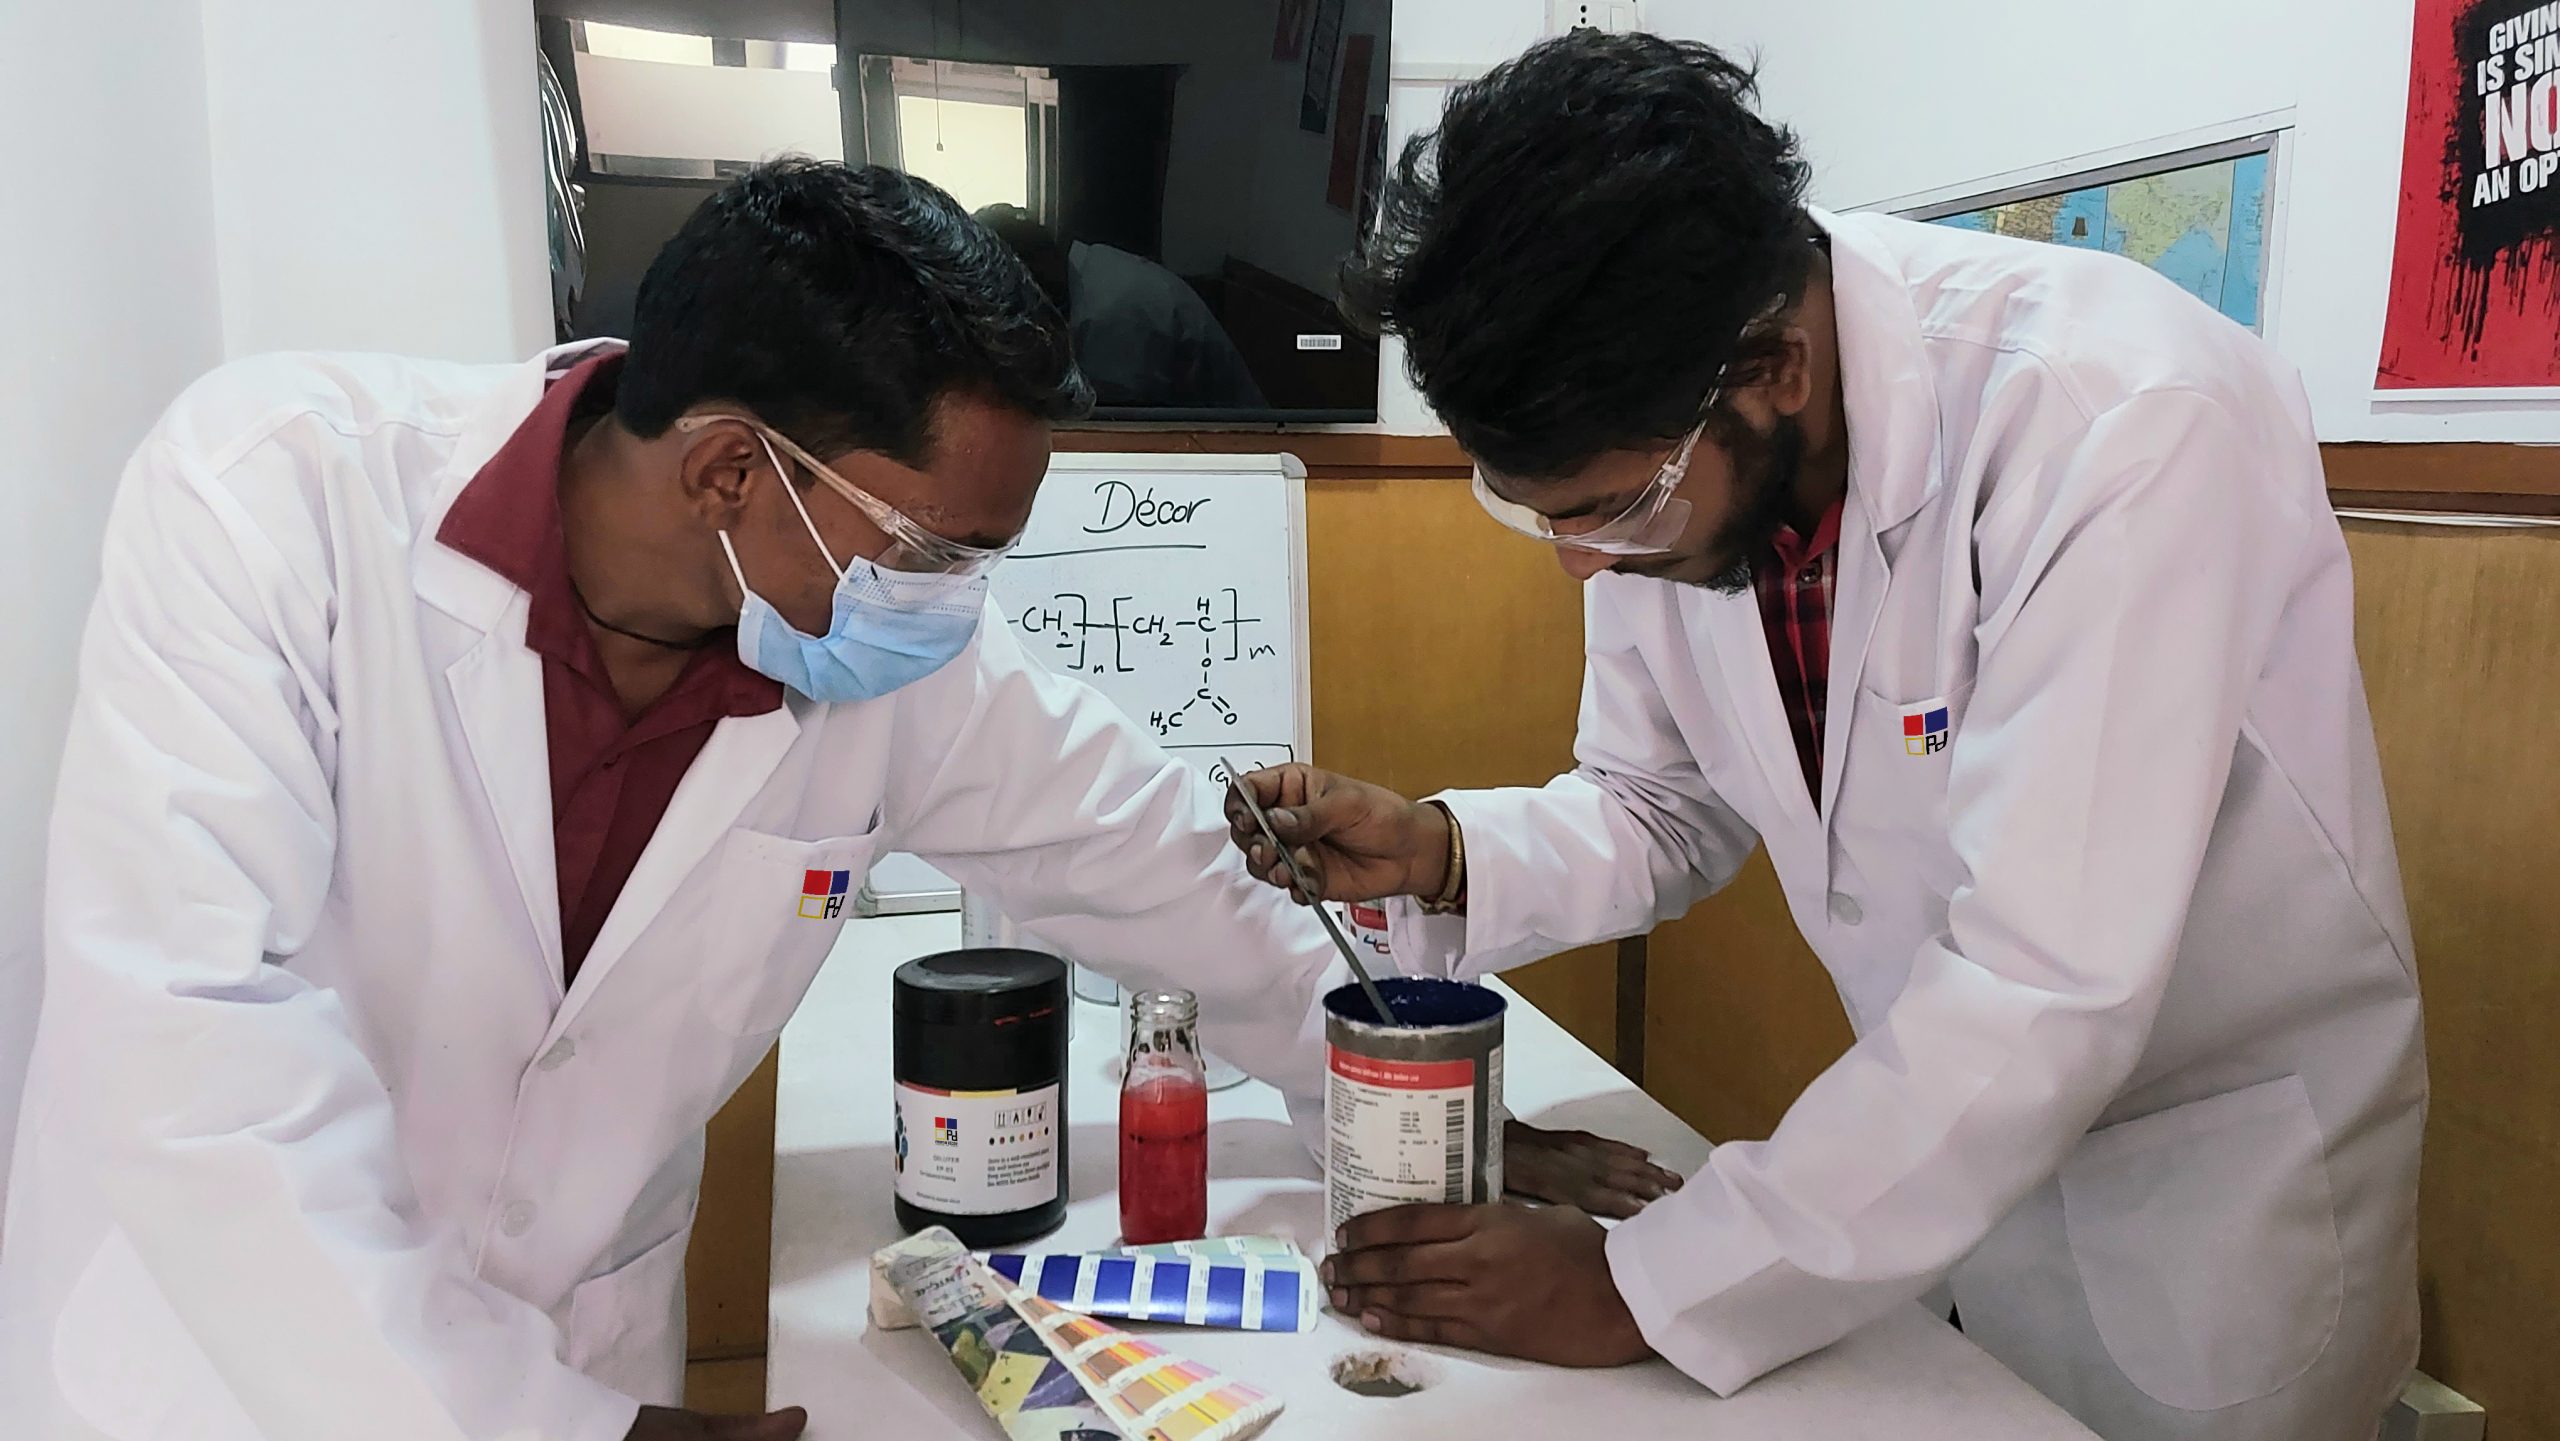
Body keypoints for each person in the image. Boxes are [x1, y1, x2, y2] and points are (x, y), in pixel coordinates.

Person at [0, 158, 1662, 1441]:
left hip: (583, 1333)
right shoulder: (272, 500)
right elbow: (189, 1035)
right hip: (224, 1362)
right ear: (730, 469)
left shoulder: (878, 648)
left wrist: (1385, 1084)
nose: (953, 601)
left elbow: (1157, 867)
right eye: (936, 549)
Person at [1228, 33, 2426, 1441]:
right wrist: (1440, 850)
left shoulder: (2118, 420)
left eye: (1607, 510)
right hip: (1941, 1190)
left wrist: (1635, 1287)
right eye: (1535, 512)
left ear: (1776, 368)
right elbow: (1656, 803)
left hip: (2199, 1208)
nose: (1579, 562)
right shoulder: (1671, 450)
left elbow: (2041, 985)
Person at [974, 204, 1267, 411]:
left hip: (1240, 447)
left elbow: (1104, 420)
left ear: (1030, 273)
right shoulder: (1084, 267)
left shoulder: (1113, 311)